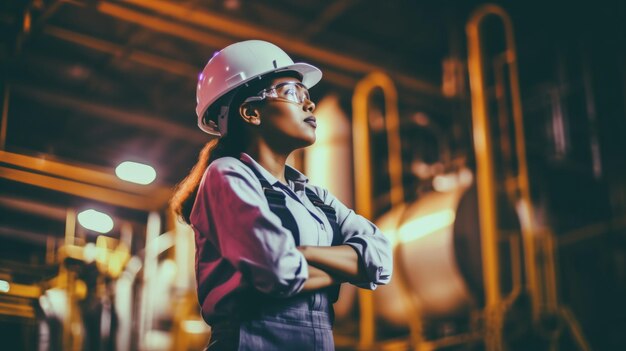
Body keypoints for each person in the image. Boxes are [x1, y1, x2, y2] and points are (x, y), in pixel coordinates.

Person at [170, 40, 392, 351]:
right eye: (292, 93)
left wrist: (305, 253)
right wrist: (348, 269)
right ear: (250, 112)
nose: (309, 104)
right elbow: (279, 271)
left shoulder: (314, 196)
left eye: (307, 95)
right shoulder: (225, 175)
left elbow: (381, 258)